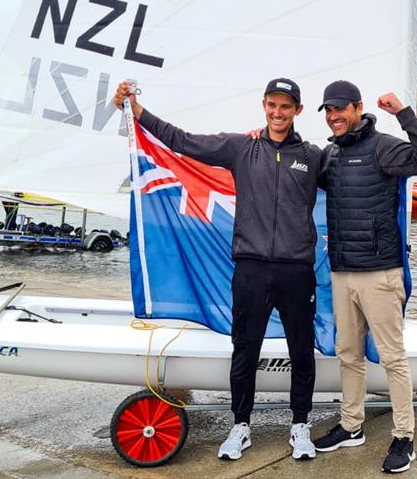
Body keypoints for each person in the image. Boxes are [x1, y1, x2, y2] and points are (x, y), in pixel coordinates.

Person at [114, 78, 321, 461]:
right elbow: (183, 141)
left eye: (286, 107)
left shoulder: (312, 156)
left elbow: (353, 184)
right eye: (272, 105)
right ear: (263, 105)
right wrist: (137, 113)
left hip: (296, 271)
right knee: (244, 348)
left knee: (301, 351)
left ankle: (300, 425)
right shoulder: (241, 147)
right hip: (251, 269)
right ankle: (240, 425)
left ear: (297, 111)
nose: (278, 113)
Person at [312, 80, 417, 474]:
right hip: (341, 272)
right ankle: (352, 426)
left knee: (392, 358)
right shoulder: (331, 155)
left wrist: (403, 114)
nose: (335, 117)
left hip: (381, 273)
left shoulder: (384, 146)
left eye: (340, 109)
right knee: (348, 354)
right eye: (329, 111)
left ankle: (404, 436)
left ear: (357, 108)